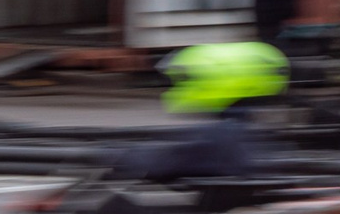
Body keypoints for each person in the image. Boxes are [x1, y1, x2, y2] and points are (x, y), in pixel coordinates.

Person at [102, 40, 289, 189]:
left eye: (187, 78)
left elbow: (165, 159)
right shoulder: (257, 134)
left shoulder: (220, 138)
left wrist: (109, 156)